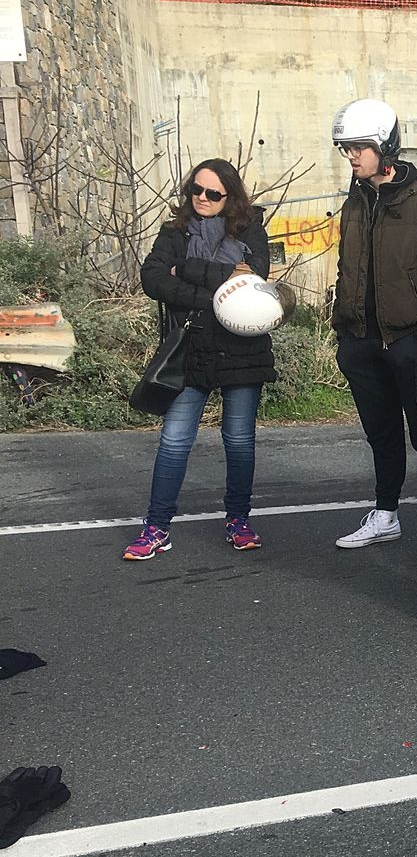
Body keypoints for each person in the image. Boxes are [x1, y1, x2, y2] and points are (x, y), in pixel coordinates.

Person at [124, 159, 275, 560]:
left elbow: (253, 279)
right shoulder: (174, 231)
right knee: (174, 440)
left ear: (230, 197)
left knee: (239, 440)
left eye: (213, 193)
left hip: (243, 348)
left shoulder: (252, 230)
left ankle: (238, 520)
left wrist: (187, 269)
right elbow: (153, 278)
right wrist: (214, 294)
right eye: (196, 190)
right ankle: (156, 527)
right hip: (190, 347)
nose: (202, 199)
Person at [329, 98, 417, 555]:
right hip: (360, 341)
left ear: (385, 145)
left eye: (358, 147)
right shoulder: (355, 201)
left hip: (409, 342)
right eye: (346, 148)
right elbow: (348, 267)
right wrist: (345, 331)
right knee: (380, 433)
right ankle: (385, 514)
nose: (351, 156)